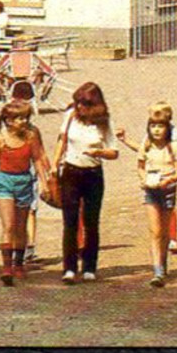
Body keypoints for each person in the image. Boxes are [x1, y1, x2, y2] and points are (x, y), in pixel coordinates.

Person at [52, 81, 120, 283]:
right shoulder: (71, 116)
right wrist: (55, 165)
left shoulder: (105, 122)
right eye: (78, 103)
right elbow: (62, 140)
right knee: (70, 221)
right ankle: (69, 267)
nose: (80, 107)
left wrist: (99, 152)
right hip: (71, 171)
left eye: (85, 104)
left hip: (93, 173)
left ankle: (89, 266)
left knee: (91, 221)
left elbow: (114, 151)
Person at [0, 98, 52, 285]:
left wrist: (44, 182)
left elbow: (37, 159)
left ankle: (19, 263)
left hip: (24, 181)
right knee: (8, 225)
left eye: (25, 117)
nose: (24, 122)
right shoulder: (0, 140)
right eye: (19, 118)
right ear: (9, 120)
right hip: (5, 182)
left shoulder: (30, 137)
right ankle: (6, 267)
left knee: (21, 227)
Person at [118, 101, 177, 255]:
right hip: (153, 180)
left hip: (168, 176)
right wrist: (125, 141)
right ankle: (164, 247)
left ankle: (172, 238)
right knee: (158, 216)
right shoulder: (152, 133)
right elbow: (144, 150)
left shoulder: (174, 134)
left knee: (168, 210)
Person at [136, 104, 177, 287]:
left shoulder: (173, 146)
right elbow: (140, 165)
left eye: (160, 126)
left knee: (164, 231)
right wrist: (144, 179)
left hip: (167, 188)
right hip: (151, 190)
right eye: (153, 126)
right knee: (155, 231)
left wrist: (169, 180)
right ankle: (157, 269)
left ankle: (163, 263)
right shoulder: (147, 144)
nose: (157, 130)